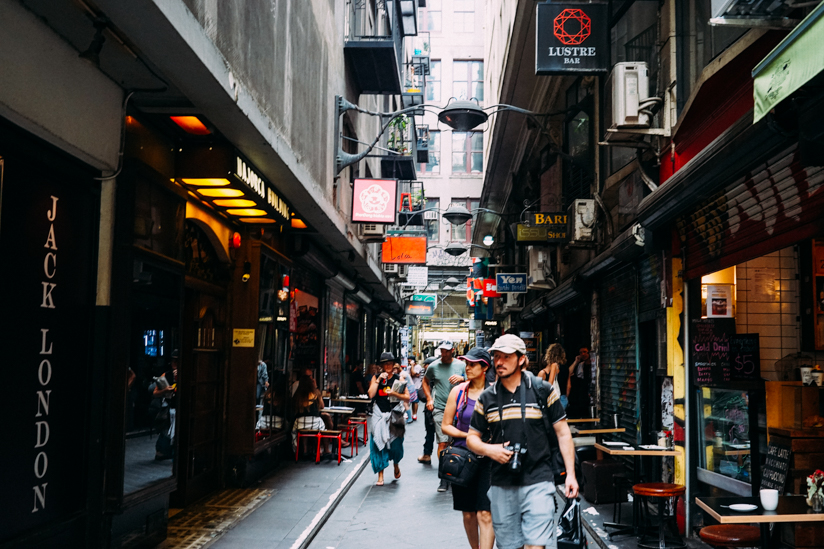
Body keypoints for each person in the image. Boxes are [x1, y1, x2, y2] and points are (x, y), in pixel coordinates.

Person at [466, 334, 578, 549]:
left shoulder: (542, 390)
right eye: (496, 356)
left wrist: (570, 475)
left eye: (506, 356)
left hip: (539, 480)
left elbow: (563, 433)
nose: (499, 362)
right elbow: (472, 437)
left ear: (521, 359)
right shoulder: (486, 398)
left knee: (536, 544)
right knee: (509, 546)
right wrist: (490, 450)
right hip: (501, 482)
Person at [443, 347, 495, 549]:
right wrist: (470, 436)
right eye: (466, 364)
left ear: (484, 367)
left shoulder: (495, 392)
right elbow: (446, 425)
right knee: (468, 512)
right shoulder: (459, 392)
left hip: (489, 459)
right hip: (463, 459)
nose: (468, 367)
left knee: (485, 511)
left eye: (472, 364)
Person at [420, 340, 466, 492]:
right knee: (442, 443)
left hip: (459, 408)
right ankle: (444, 477)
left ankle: (457, 472)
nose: (444, 353)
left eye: (446, 350)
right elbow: (425, 382)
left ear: (452, 350)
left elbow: (475, 380)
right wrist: (429, 399)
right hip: (440, 408)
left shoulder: (461, 365)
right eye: (442, 350)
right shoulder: (434, 366)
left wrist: (463, 379)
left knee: (458, 442)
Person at [368, 352, 409, 486]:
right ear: (381, 366)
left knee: (397, 444)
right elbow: (371, 394)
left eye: (390, 363)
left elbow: (407, 397)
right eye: (385, 364)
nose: (388, 366)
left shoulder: (399, 379)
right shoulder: (376, 378)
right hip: (379, 414)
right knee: (378, 443)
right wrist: (379, 380)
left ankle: (396, 464)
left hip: (395, 414)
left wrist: (394, 393)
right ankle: (381, 475)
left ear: (393, 365)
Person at [151, 351, 179, 460]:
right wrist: (165, 390)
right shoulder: (166, 375)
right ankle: (163, 449)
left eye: (176, 361)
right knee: (166, 430)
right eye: (173, 361)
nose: (174, 364)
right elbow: (155, 392)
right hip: (169, 406)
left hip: (178, 406)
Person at [291, 374, 329, 454]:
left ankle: (305, 449)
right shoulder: (315, 393)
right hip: (314, 424)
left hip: (300, 424)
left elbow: (293, 407)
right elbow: (322, 406)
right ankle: (325, 449)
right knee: (324, 429)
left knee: (304, 428)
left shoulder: (297, 395)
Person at [538, 343, 568, 410]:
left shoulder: (546, 371)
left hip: (550, 400)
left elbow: (548, 385)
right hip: (558, 399)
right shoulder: (561, 367)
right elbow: (568, 386)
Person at [566, 348, 593, 419]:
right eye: (581, 353)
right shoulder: (581, 365)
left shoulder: (594, 363)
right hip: (584, 389)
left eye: (585, 352)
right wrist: (576, 361)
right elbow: (569, 373)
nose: (583, 354)